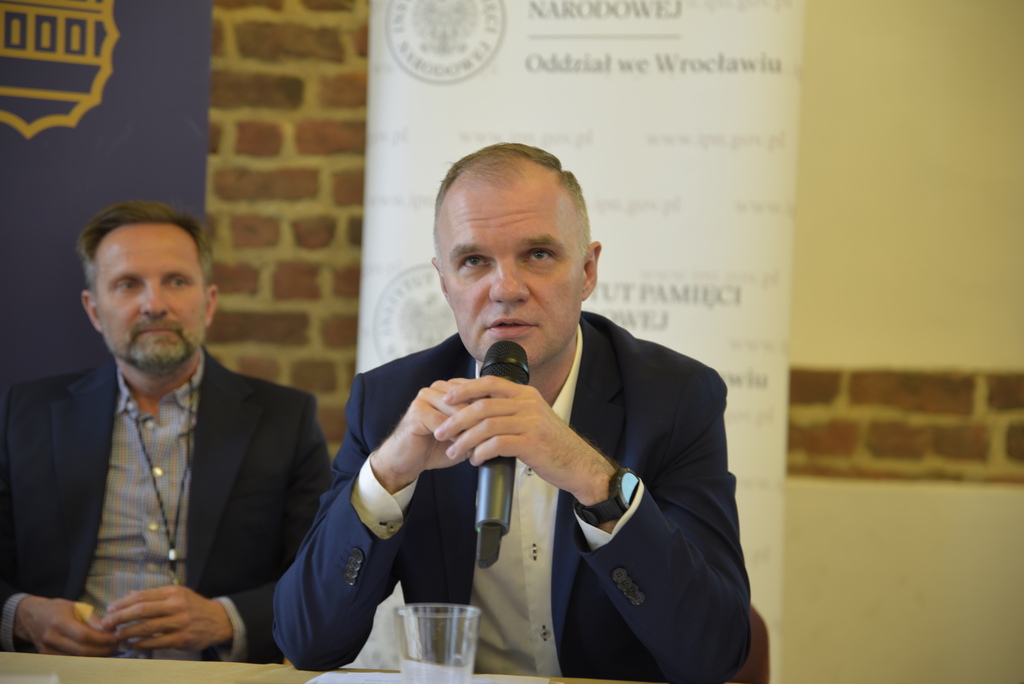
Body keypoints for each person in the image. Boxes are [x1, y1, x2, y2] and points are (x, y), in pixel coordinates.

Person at [273, 144, 751, 683]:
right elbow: (307, 642)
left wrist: (593, 479)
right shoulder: (390, 403)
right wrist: (388, 477)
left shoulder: (675, 399)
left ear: (587, 270)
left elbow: (715, 653)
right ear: (444, 282)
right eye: (474, 261)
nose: (505, 289)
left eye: (538, 255)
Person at [0, 201, 332, 663]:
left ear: (208, 302)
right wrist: (22, 616)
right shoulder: (24, 415)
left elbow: (322, 578)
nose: (154, 305)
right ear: (94, 310)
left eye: (176, 281)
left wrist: (226, 619)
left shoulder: (286, 419)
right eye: (127, 284)